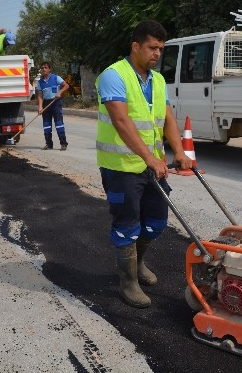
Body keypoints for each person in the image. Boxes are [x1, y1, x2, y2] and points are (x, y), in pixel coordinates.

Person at [95, 20, 192, 308]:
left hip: (154, 167)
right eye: (152, 47)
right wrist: (148, 157)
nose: (157, 53)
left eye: (161, 48)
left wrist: (179, 151)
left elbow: (168, 119)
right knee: (127, 225)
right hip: (121, 167)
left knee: (157, 222)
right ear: (135, 46)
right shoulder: (113, 76)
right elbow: (122, 121)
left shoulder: (158, 80)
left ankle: (139, 264)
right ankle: (128, 282)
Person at [36, 62, 69, 151]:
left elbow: (66, 86)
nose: (44, 69)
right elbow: (40, 95)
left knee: (59, 124)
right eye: (42, 68)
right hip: (46, 104)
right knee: (46, 125)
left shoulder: (56, 78)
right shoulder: (40, 82)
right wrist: (40, 107)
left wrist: (59, 92)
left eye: (45, 67)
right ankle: (49, 144)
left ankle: (63, 144)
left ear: (49, 69)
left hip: (56, 102)